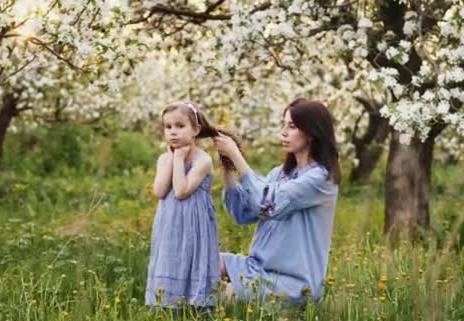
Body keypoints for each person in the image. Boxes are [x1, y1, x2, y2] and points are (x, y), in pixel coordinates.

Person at [213, 99, 341, 305]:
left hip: (292, 282)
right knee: (200, 261)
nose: (283, 132)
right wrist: (227, 167)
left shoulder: (320, 179)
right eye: (284, 125)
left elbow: (267, 203)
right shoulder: (280, 174)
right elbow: (243, 213)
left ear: (310, 133)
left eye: (291, 126)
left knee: (220, 295)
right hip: (257, 268)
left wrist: (237, 156)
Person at [146, 101, 230, 308]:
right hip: (170, 221)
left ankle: (196, 304)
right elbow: (159, 191)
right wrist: (171, 159)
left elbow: (182, 191)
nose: (173, 132)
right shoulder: (164, 159)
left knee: (192, 257)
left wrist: (179, 159)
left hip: (194, 222)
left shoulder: (203, 161)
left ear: (196, 129)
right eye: (168, 127)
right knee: (170, 256)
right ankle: (167, 303)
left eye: (180, 126)